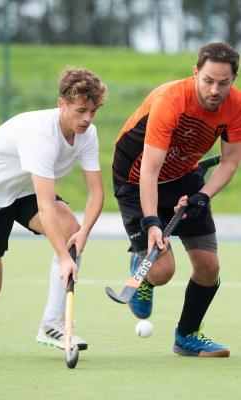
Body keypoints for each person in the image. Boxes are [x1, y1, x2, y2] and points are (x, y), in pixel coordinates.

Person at [112, 42, 241, 357]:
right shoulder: (170, 101)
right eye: (208, 80)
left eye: (224, 83)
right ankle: (142, 268)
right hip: (136, 176)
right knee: (162, 271)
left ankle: (187, 336)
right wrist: (152, 223)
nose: (215, 89)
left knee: (209, 267)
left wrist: (202, 195)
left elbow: (229, 162)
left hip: (185, 174)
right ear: (195, 72)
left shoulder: (235, 105)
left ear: (234, 79)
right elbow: (150, 170)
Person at [0, 67, 106, 356]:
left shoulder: (88, 133)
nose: (87, 119)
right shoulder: (40, 134)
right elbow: (46, 206)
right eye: (81, 110)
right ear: (62, 104)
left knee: (70, 230)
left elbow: (97, 192)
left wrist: (83, 233)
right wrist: (63, 259)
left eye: (93, 111)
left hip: (24, 191)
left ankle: (52, 323)